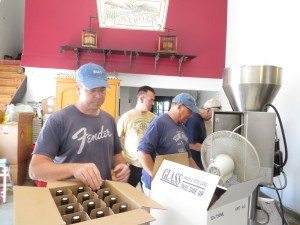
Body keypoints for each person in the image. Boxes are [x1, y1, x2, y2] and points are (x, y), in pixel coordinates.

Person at [29, 63, 130, 190]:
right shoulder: (58, 120)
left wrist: (122, 167)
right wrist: (74, 169)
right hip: (69, 198)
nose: (99, 95)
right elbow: (35, 170)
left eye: (102, 89)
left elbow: (117, 156)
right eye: (92, 90)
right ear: (78, 89)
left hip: (104, 196)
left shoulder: (109, 120)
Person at [137, 93, 199, 194]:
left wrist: (202, 175)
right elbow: (142, 153)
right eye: (189, 111)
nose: (191, 115)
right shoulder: (159, 123)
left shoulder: (183, 128)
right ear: (179, 106)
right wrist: (156, 177)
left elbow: (188, 157)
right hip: (156, 186)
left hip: (173, 185)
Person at [117, 86, 156, 187]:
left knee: (148, 195)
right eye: (151, 100)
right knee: (126, 195)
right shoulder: (126, 117)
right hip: (131, 165)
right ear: (142, 98)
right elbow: (116, 140)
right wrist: (122, 162)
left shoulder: (153, 118)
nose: (153, 103)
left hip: (148, 164)